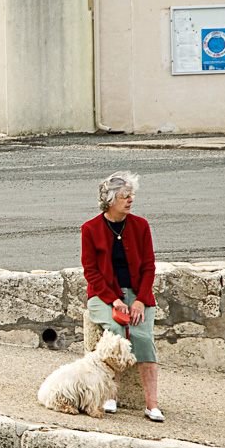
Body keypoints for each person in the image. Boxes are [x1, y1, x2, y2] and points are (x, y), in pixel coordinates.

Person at [81, 170, 163, 422]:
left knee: (141, 336)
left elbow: (149, 266)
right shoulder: (90, 229)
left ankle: (152, 405)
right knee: (116, 331)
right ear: (109, 199)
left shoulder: (141, 226)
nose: (130, 200)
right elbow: (91, 271)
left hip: (138, 295)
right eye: (124, 196)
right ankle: (109, 396)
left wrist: (139, 300)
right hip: (103, 296)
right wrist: (113, 299)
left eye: (131, 195)